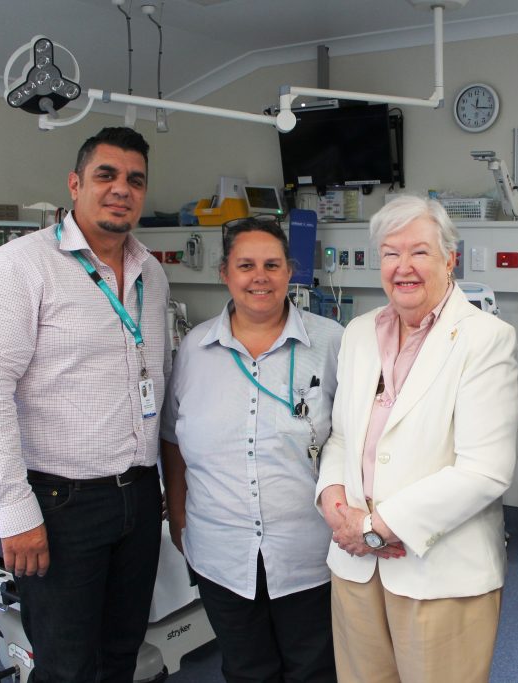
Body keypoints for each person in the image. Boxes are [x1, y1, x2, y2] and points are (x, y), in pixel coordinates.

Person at [0, 127, 171, 682]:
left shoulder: (153, 274)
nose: (121, 189)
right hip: (61, 503)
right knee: (68, 666)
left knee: (122, 654)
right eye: (106, 175)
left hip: (140, 495)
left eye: (135, 180)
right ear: (75, 184)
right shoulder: (19, 267)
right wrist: (15, 509)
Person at [316, 195, 518, 683]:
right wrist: (333, 504)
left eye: (419, 252)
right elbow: (342, 437)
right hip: (356, 567)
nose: (403, 267)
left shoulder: (485, 339)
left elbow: (484, 470)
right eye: (390, 253)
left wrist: (377, 527)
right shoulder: (359, 333)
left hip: (438, 574)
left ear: (450, 258)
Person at [160, 215, 342, 683]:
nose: (259, 276)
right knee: (246, 670)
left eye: (271, 264)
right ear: (225, 274)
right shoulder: (195, 350)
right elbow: (174, 442)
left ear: (290, 271)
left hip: (309, 553)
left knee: (315, 670)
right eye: (245, 265)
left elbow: (353, 440)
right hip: (221, 552)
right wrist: (179, 518)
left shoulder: (331, 343)